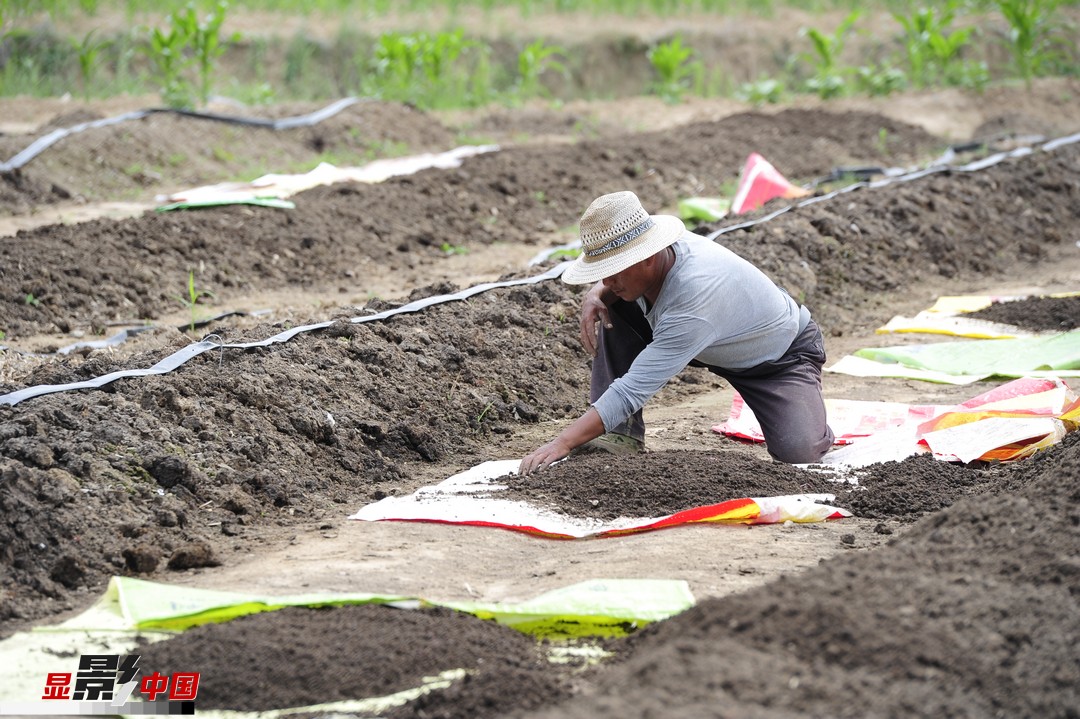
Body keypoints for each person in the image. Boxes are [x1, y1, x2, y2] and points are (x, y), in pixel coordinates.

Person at [519, 190, 833, 475]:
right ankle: (620, 433)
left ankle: (812, 416)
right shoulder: (651, 261)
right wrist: (595, 293)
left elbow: (632, 390)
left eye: (613, 271)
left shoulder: (695, 296)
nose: (606, 279)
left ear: (647, 257)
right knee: (613, 300)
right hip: (710, 341)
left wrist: (563, 442)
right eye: (601, 272)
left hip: (778, 359)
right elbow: (614, 283)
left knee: (799, 453)